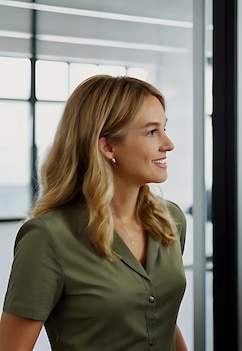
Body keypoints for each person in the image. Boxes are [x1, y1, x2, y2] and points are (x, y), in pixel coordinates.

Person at [0, 75, 188, 351]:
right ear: (108, 146)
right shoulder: (48, 237)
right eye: (151, 132)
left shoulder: (170, 221)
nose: (168, 144)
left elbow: (161, 318)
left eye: (164, 128)